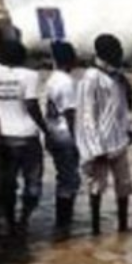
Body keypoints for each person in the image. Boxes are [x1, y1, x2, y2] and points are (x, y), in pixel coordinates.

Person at [0, 40, 50, 236]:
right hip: (28, 136)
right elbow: (32, 105)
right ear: (24, 57)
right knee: (33, 182)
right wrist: (45, 130)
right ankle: (24, 220)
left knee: (8, 183)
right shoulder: (31, 75)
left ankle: (10, 224)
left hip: (4, 137)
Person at [76, 34, 132, 236]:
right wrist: (95, 149)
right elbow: (87, 116)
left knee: (124, 186)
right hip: (100, 145)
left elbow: (124, 109)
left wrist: (130, 128)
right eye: (115, 51)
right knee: (97, 187)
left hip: (119, 141)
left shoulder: (117, 76)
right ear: (103, 53)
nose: (119, 54)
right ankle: (95, 230)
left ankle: (123, 228)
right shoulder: (91, 78)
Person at [45, 42, 81, 234]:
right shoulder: (67, 82)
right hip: (65, 136)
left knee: (64, 179)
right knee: (70, 181)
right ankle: (64, 225)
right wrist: (78, 140)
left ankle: (62, 224)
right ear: (71, 59)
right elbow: (70, 113)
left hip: (53, 132)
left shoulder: (53, 79)